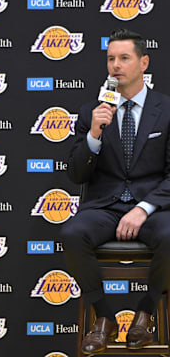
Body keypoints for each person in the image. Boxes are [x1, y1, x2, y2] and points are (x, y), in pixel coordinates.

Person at [61, 28, 170, 354]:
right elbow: (76, 173)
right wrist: (93, 134)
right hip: (104, 205)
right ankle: (104, 318)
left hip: (151, 207)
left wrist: (144, 208)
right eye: (111, 59)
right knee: (71, 233)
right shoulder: (91, 111)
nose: (116, 66)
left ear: (144, 62)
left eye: (124, 58)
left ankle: (146, 313)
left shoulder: (165, 109)